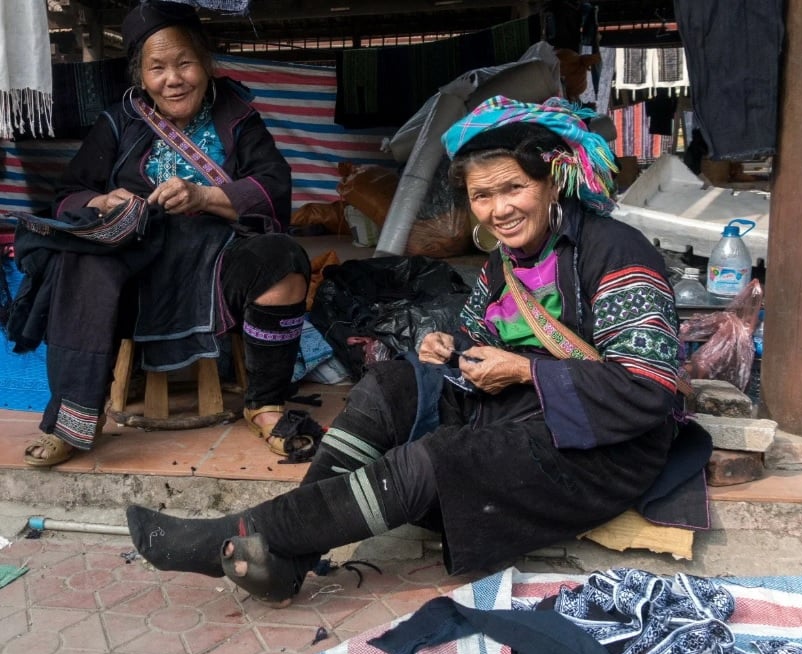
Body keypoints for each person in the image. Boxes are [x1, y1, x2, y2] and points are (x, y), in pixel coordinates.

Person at [125, 95, 709, 605]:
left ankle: (229, 539)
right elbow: (482, 338)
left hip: (604, 444)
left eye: (513, 188)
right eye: (482, 196)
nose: (499, 209)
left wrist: (524, 370)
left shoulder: (617, 253)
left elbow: (647, 389)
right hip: (527, 409)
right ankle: (286, 554)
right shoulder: (508, 260)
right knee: (388, 385)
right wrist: (451, 347)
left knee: (441, 456)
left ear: (552, 181)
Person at [11, 1, 311, 466]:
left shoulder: (238, 118)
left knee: (284, 260)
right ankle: (71, 420)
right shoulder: (118, 122)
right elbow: (69, 194)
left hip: (216, 262)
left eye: (185, 63)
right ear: (141, 76)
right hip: (132, 271)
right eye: (157, 68)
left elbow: (274, 187)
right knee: (80, 259)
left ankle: (265, 404)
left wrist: (203, 196)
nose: (173, 79)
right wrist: (104, 201)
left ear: (206, 65)